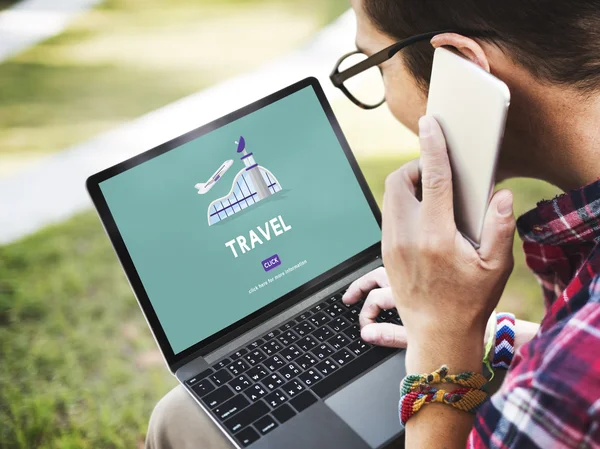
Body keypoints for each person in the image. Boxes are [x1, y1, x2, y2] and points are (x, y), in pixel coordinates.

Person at [146, 0, 600, 447]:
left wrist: (441, 346)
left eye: (374, 66)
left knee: (178, 420)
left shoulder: (568, 392)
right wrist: (482, 334)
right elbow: (568, 351)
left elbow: (570, 376)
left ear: (464, 69)